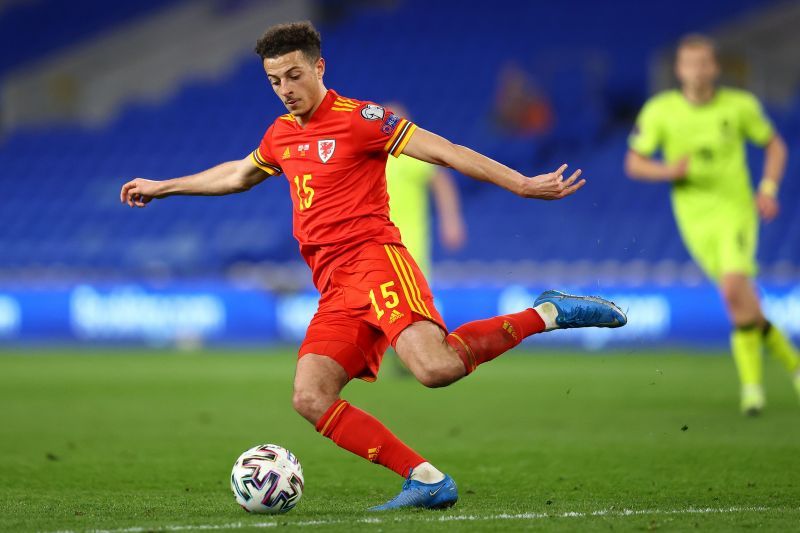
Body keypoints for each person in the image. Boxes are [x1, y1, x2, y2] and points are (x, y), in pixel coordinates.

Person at [121, 21, 626, 510]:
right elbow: (237, 174)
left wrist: (520, 183)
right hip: (334, 286)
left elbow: (443, 151)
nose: (285, 89)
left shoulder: (362, 119)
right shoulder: (280, 135)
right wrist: (162, 186)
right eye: (274, 80)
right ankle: (425, 479)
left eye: (294, 75)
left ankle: (548, 314)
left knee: (434, 368)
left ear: (320, 67)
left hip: (375, 261)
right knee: (310, 396)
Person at [625, 34, 799, 416]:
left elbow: (775, 145)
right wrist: (669, 170)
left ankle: (752, 391)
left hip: (735, 211)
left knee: (734, 289)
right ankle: (794, 364)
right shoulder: (660, 111)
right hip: (693, 220)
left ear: (715, 68)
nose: (698, 71)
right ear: (679, 70)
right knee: (743, 303)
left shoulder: (739, 106)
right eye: (690, 63)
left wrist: (768, 188)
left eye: (704, 63)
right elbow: (634, 163)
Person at [384, 102, 466, 278]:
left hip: (410, 247)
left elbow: (441, 182)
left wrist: (451, 220)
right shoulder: (373, 156)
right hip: (376, 245)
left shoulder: (411, 155)